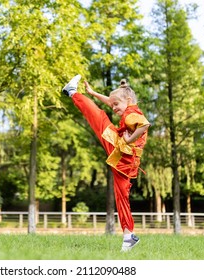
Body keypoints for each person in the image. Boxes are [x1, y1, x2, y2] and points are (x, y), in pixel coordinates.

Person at [62, 74, 150, 251]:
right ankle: (128, 235)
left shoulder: (132, 113)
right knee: (122, 196)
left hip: (123, 151)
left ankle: (72, 92)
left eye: (116, 104)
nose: (114, 108)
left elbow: (145, 125)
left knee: (99, 117)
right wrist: (93, 93)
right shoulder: (129, 108)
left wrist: (129, 140)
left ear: (128, 99)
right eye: (114, 104)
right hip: (127, 161)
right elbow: (112, 102)